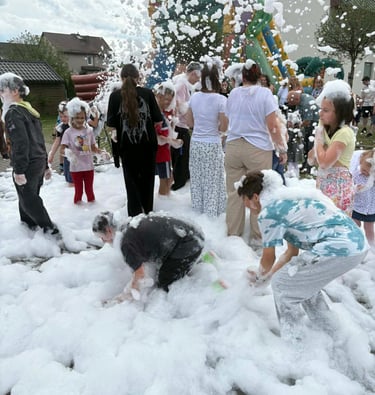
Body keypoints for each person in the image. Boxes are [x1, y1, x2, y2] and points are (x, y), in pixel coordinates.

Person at [237, 169, 368, 339]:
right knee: (301, 283)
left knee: (283, 285)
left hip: (341, 247)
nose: (245, 205)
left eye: (244, 200)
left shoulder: (269, 212)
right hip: (356, 244)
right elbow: (291, 253)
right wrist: (266, 276)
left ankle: (295, 343)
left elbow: (268, 258)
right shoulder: (289, 202)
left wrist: (260, 277)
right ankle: (331, 331)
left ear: (255, 197)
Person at [224, 59, 288, 249]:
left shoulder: (233, 94)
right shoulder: (265, 94)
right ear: (260, 77)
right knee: (258, 193)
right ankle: (257, 239)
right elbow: (273, 126)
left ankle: (233, 237)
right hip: (258, 148)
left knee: (234, 192)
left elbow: (229, 119)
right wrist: (281, 148)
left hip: (234, 145)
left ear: (242, 76)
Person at [92, 211, 205, 300]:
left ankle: (197, 265)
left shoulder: (125, 244)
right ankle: (193, 259)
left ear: (108, 230)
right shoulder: (128, 225)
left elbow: (140, 275)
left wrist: (127, 294)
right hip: (191, 231)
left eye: (101, 237)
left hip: (190, 243)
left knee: (164, 282)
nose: (103, 241)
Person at [0, 72, 59, 236]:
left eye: (2, 90)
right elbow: (39, 139)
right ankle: (28, 227)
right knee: (26, 197)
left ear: (15, 91)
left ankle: (51, 231)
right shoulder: (30, 110)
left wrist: (19, 170)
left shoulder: (13, 113)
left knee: (29, 199)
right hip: (38, 160)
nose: (0, 94)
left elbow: (21, 143)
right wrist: (45, 165)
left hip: (28, 163)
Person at [106, 63, 163, 216]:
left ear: (121, 78)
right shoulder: (148, 93)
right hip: (147, 146)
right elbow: (158, 119)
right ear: (138, 78)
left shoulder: (115, 96)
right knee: (147, 181)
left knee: (131, 183)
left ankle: (135, 215)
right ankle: (148, 212)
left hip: (127, 146)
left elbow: (111, 125)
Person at [185, 57, 228, 217]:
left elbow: (189, 122)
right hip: (212, 144)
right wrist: (215, 127)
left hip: (196, 143)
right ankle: (212, 217)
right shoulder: (221, 100)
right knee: (212, 181)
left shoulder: (194, 97)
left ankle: (197, 212)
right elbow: (224, 127)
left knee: (196, 180)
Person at [308, 80, 356, 216]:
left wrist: (318, 139)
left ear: (340, 113)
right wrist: (319, 141)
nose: (320, 114)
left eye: (326, 110)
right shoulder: (325, 129)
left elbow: (324, 163)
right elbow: (311, 160)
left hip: (338, 189)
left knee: (335, 229)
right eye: (321, 109)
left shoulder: (344, 133)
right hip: (324, 186)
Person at [61, 97, 105, 204]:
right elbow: (62, 149)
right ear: (72, 118)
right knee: (78, 192)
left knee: (90, 192)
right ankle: (78, 215)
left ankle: (92, 212)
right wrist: (70, 155)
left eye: (82, 117)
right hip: (76, 168)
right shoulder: (68, 132)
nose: (80, 120)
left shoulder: (89, 131)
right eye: (77, 118)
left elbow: (93, 148)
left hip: (89, 166)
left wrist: (102, 153)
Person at [171, 61, 202, 191]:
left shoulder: (183, 83)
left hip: (181, 125)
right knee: (181, 156)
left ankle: (183, 179)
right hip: (179, 126)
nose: (198, 80)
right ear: (194, 73)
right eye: (198, 77)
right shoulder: (182, 84)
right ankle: (179, 182)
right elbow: (179, 104)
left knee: (185, 155)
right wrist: (191, 114)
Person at [154, 81, 182, 196]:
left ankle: (164, 202)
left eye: (170, 100)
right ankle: (163, 203)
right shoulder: (156, 114)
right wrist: (172, 141)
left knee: (169, 178)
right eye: (166, 100)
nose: (168, 103)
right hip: (160, 152)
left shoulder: (163, 112)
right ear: (159, 96)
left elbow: (167, 131)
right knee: (165, 180)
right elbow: (156, 136)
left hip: (164, 151)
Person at [286, 89, 319, 174]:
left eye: (291, 103)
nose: (290, 105)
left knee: (310, 146)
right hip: (309, 125)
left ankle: (308, 168)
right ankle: (304, 166)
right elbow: (297, 114)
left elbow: (307, 120)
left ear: (296, 100)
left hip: (315, 125)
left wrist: (297, 126)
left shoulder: (307, 103)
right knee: (304, 145)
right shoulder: (299, 101)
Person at [350, 149, 375, 248]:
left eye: (366, 171)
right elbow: (349, 188)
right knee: (355, 226)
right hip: (357, 207)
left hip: (371, 209)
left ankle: (372, 248)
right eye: (362, 168)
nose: (362, 171)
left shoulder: (373, 179)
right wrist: (355, 188)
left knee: (369, 229)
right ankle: (355, 245)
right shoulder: (356, 174)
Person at [48, 101, 73, 185]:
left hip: (76, 157)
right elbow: (57, 141)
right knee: (67, 177)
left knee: (73, 179)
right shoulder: (60, 127)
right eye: (61, 116)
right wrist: (51, 154)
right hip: (66, 156)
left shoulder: (75, 126)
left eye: (65, 116)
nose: (63, 119)